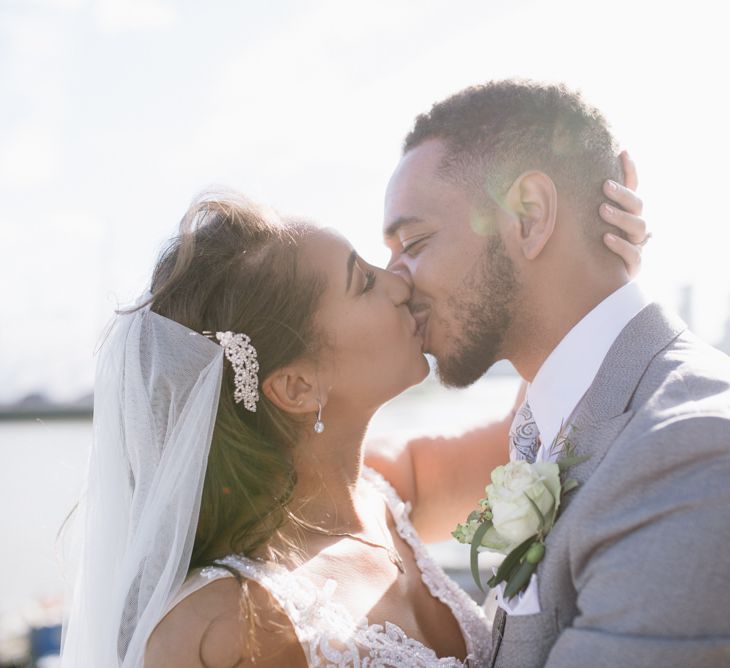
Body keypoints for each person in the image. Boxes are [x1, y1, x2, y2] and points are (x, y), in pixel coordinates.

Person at [60, 176, 643, 666]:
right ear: (297, 385)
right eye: (363, 280)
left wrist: (585, 272)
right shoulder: (219, 626)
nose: (399, 282)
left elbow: (544, 419)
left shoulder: (391, 491)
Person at [369, 80, 730, 667]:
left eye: (414, 241)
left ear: (530, 217)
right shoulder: (549, 418)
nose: (396, 282)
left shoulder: (689, 451)